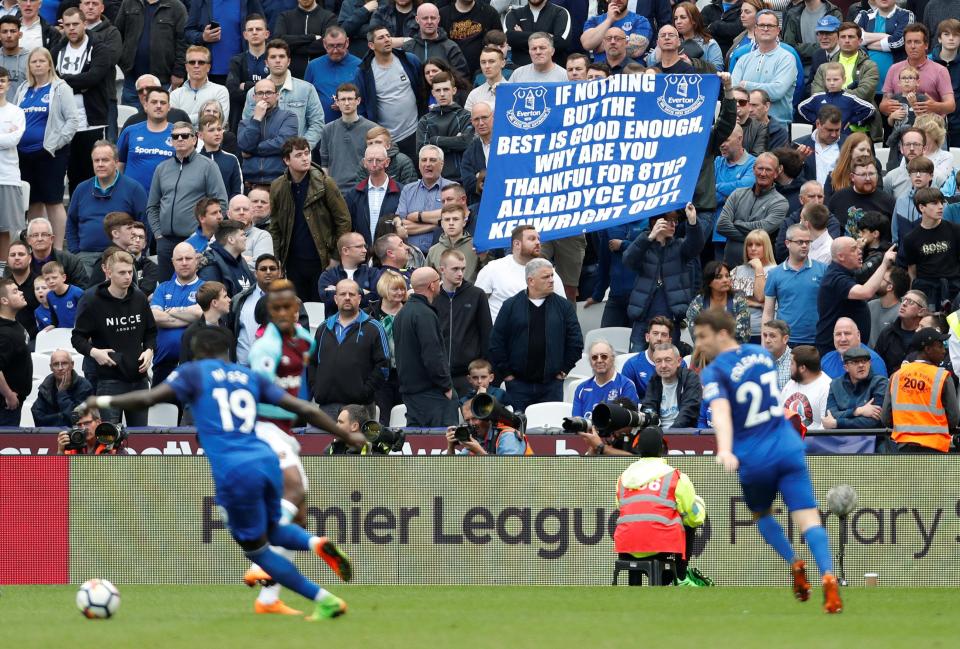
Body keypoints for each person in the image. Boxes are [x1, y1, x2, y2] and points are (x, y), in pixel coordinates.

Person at [84, 327, 363, 620]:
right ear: (227, 351)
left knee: (257, 551)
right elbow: (303, 407)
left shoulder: (193, 372)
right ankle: (315, 543)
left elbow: (147, 399)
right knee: (273, 529)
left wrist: (102, 402)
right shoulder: (248, 376)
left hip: (234, 470)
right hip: (266, 459)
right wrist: (347, 435)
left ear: (195, 350)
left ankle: (325, 599)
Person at [695, 309, 842, 613]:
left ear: (722, 334)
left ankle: (795, 564)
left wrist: (724, 448)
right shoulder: (761, 356)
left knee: (762, 514)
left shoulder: (715, 371)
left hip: (754, 455)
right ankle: (828, 575)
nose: (698, 343)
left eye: (702, 336)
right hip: (788, 446)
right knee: (808, 518)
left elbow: (721, 413)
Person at [242, 277, 325, 615]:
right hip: (263, 425)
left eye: (292, 306)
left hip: (286, 428)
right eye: (278, 308)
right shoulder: (264, 347)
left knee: (301, 516)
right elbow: (259, 390)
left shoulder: (304, 341)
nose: (288, 313)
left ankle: (268, 599)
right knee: (295, 487)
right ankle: (263, 561)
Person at [613, 425, 709, 586]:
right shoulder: (675, 476)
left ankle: (639, 582)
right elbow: (694, 518)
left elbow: (621, 508)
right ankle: (681, 575)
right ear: (663, 449)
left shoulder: (623, 478)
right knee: (689, 523)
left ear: (637, 448)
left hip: (626, 546)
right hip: (661, 545)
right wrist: (699, 505)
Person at [71, 250, 156, 426]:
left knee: (141, 435)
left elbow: (151, 331)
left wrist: (149, 350)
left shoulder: (139, 297)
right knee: (108, 438)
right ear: (108, 272)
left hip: (138, 378)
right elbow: (77, 338)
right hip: (110, 380)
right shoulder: (92, 300)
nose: (127, 277)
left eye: (130, 272)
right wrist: (94, 352)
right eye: (122, 272)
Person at [488, 258, 583, 411]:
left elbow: (576, 342)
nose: (552, 280)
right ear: (531, 281)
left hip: (552, 385)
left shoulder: (564, 306)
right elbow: (496, 342)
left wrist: (564, 369)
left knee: (550, 431)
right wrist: (507, 374)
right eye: (546, 277)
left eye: (552, 275)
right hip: (518, 385)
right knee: (519, 430)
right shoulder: (510, 306)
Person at [268, 136, 352, 303]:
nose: (305, 158)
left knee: (320, 308)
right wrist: (277, 260)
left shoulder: (324, 182)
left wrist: (336, 257)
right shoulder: (278, 186)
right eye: (298, 155)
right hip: (292, 261)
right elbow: (275, 227)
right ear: (287, 160)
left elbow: (344, 220)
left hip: (321, 259)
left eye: (307, 153)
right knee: (298, 310)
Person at [146, 121, 228, 280]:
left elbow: (221, 204)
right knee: (166, 289)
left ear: (195, 139)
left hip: (195, 242)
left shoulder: (208, 166)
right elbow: (152, 206)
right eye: (175, 136)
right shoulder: (162, 168)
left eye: (185, 135)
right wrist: (158, 235)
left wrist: (204, 235)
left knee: (195, 291)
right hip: (165, 243)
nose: (180, 139)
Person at [16, 46, 79, 250]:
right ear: (29, 66)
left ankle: (59, 248)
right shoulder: (23, 89)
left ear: (49, 64)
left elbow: (72, 121)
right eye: (34, 62)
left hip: (51, 154)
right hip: (24, 154)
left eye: (42, 61)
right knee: (33, 202)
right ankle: (36, 246)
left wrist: (53, 145)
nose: (38, 65)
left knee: (53, 201)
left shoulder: (61, 88)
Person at [52, 7, 113, 196]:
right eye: (67, 25)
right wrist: (80, 82)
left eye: (75, 24)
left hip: (92, 122)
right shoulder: (57, 50)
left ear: (84, 24)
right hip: (64, 123)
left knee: (92, 173)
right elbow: (52, 80)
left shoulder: (99, 48)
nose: (71, 29)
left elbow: (93, 78)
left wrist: (64, 81)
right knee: (72, 174)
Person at [66, 140, 148, 278]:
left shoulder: (134, 189)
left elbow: (144, 224)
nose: (100, 164)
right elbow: (71, 223)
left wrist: (136, 252)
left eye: (105, 160)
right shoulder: (81, 189)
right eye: (96, 160)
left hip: (121, 255)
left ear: (116, 162)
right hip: (86, 256)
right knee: (85, 296)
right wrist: (75, 252)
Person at [311, 279, 389, 419]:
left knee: (359, 442)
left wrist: (365, 393)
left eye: (352, 294)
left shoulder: (374, 327)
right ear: (335, 299)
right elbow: (312, 363)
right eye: (342, 294)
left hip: (360, 407)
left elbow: (384, 366)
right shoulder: (323, 328)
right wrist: (317, 390)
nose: (347, 297)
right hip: (327, 407)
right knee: (326, 442)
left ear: (359, 299)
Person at [392, 266, 459, 425]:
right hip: (432, 395)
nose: (440, 286)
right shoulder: (424, 314)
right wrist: (446, 387)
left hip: (411, 393)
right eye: (438, 282)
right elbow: (433, 355)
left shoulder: (402, 314)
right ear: (432, 285)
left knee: (418, 445)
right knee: (443, 444)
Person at [881, 327, 959, 452]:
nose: (944, 351)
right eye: (939, 346)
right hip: (935, 446)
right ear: (927, 349)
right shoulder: (942, 376)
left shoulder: (896, 376)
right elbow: (954, 418)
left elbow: (885, 418)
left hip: (904, 446)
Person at [816, 236, 898, 355]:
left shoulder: (846, 273)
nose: (860, 251)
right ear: (841, 256)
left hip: (849, 349)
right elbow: (866, 292)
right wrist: (884, 264)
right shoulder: (834, 277)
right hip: (834, 351)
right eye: (854, 249)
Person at [241, 39, 324, 152]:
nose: (278, 61)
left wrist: (301, 149)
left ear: (289, 61)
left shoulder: (306, 89)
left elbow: (317, 123)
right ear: (266, 62)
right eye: (273, 57)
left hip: (297, 158)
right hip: (262, 159)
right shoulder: (253, 92)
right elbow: (247, 124)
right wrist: (257, 150)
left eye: (281, 56)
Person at [354, 26, 423, 161]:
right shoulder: (364, 71)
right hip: (386, 139)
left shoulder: (409, 60)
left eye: (388, 36)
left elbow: (422, 91)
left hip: (414, 132)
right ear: (371, 45)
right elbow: (361, 107)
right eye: (381, 37)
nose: (387, 40)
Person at [474, 224, 563, 322]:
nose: (538, 242)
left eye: (538, 239)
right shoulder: (493, 269)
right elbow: (476, 304)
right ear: (516, 244)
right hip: (500, 334)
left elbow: (562, 307)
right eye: (532, 239)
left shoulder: (549, 272)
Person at [432, 248, 491, 395]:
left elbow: (487, 334)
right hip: (439, 375)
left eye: (462, 269)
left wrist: (482, 369)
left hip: (469, 376)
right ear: (442, 270)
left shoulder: (477, 295)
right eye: (455, 269)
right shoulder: (433, 297)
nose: (460, 273)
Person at [717, 153, 789, 267]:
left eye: (768, 170)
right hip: (730, 267)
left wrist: (736, 223)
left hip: (760, 271)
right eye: (760, 168)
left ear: (776, 173)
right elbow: (721, 225)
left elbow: (764, 228)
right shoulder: (737, 194)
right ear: (753, 169)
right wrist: (757, 239)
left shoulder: (780, 202)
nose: (763, 173)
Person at [731, 10, 799, 127]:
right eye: (762, 25)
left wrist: (746, 85)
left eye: (770, 26)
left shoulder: (787, 58)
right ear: (755, 29)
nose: (766, 29)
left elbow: (777, 91)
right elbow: (734, 92)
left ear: (778, 30)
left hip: (776, 128)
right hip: (745, 126)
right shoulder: (743, 59)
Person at [150, 242, 203, 385]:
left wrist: (170, 311)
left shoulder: (206, 287)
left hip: (195, 366)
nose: (184, 263)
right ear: (173, 262)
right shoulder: (162, 288)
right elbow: (154, 316)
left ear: (196, 260)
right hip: (163, 365)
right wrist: (189, 316)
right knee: (161, 406)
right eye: (179, 259)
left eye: (188, 258)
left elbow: (200, 313)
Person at [820, 345, 888, 453]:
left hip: (873, 440)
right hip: (841, 440)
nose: (861, 365)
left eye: (864, 361)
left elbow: (874, 422)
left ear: (869, 363)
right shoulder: (835, 384)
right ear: (846, 367)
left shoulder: (880, 383)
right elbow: (830, 415)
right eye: (855, 362)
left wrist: (837, 423)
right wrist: (857, 411)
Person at [903, 187, 960, 309]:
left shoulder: (955, 230)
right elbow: (912, 272)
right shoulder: (911, 238)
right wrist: (912, 296)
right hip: (927, 292)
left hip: (954, 288)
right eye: (934, 203)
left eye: (941, 202)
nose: (940, 206)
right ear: (921, 207)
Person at [237, 78, 298, 190]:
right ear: (254, 97)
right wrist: (256, 119)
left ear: (277, 95)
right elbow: (244, 145)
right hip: (251, 184)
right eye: (260, 93)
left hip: (280, 182)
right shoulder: (245, 123)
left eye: (269, 92)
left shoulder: (289, 117)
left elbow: (283, 144)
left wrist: (252, 150)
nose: (264, 96)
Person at [116, 86, 175, 195]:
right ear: (145, 106)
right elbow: (119, 163)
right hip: (131, 197)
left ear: (169, 107)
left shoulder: (178, 134)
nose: (158, 106)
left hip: (166, 198)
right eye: (154, 102)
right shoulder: (130, 131)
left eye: (163, 103)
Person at [320, 82, 377, 195]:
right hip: (335, 192)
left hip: (363, 191)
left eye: (350, 99)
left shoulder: (372, 129)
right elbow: (324, 166)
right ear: (337, 101)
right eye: (343, 99)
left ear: (358, 101)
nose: (346, 103)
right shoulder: (327, 130)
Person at [395, 144, 452, 253]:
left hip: (443, 254)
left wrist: (417, 217)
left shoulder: (452, 188)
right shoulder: (408, 190)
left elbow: (452, 217)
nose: (427, 164)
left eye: (433, 160)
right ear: (419, 164)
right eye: (424, 160)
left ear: (442, 164)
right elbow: (401, 227)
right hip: (412, 255)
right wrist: (437, 225)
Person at [347, 143, 402, 246]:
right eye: (370, 160)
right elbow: (349, 227)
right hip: (363, 254)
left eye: (379, 160)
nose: (374, 164)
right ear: (364, 163)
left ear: (387, 162)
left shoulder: (402, 191)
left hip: (391, 252)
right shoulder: (354, 193)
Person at [304, 26, 362, 125]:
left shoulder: (359, 66)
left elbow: (366, 100)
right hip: (320, 128)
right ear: (324, 44)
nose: (335, 51)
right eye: (331, 46)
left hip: (352, 126)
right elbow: (306, 98)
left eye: (339, 45)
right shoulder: (313, 66)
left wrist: (345, 103)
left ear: (347, 43)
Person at [686, 261, 751, 344]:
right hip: (706, 352)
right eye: (719, 277)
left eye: (727, 276)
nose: (725, 280)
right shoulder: (698, 303)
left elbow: (743, 335)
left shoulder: (739, 301)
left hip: (734, 352)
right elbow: (696, 334)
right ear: (709, 281)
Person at [225, 13, 270, 133]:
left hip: (271, 120)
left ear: (266, 34)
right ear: (245, 35)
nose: (254, 32)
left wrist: (246, 85)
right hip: (242, 121)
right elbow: (232, 91)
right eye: (250, 30)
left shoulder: (274, 59)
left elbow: (278, 90)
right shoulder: (237, 61)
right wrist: (264, 93)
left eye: (258, 29)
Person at [571, 340, 638, 419]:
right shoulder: (581, 389)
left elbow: (630, 422)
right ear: (590, 362)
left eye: (604, 356)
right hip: (586, 431)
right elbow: (577, 422)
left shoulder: (626, 385)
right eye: (594, 357)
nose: (599, 360)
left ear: (612, 358)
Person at [641, 343, 701, 429]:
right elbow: (648, 407)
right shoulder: (654, 380)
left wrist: (670, 433)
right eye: (658, 361)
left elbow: (689, 411)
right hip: (658, 434)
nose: (663, 365)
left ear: (679, 362)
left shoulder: (690, 378)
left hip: (684, 433)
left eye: (668, 360)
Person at [444, 396, 530, 455]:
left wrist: (479, 452)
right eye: (467, 420)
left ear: (485, 416)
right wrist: (451, 447)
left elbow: (509, 475)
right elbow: (453, 472)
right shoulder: (475, 438)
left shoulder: (507, 436)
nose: (471, 423)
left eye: (474, 418)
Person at [731, 229, 776, 343]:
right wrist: (755, 303)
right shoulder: (737, 270)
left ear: (766, 247)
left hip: (762, 331)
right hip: (736, 330)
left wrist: (759, 268)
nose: (753, 248)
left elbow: (761, 296)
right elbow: (728, 299)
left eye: (758, 245)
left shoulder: (775, 271)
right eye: (749, 245)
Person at [273, 0, 336, 79]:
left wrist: (292, 47)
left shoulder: (329, 17)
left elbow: (326, 44)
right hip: (291, 77)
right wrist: (311, 37)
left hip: (321, 75)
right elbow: (278, 41)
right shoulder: (285, 17)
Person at [169, 45, 230, 127]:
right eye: (192, 62)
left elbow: (219, 123)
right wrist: (204, 115)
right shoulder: (175, 94)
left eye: (201, 62)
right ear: (186, 67)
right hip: (183, 138)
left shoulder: (220, 91)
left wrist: (184, 119)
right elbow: (173, 125)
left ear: (208, 67)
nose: (196, 66)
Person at [31, 348, 93, 426]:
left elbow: (78, 418)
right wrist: (62, 418)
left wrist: (62, 394)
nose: (60, 368)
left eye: (64, 363)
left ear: (72, 365)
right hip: (50, 433)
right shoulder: (46, 385)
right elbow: (38, 417)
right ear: (51, 367)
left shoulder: (84, 386)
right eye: (56, 364)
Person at [874, 288, 927, 374]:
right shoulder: (888, 332)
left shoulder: (925, 336)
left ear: (921, 311)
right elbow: (877, 362)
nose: (904, 304)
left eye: (910, 302)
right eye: (904, 300)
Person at [0, 64, 23, 265]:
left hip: (7, 175)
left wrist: (8, 137)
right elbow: (6, 139)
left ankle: (2, 272)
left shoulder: (16, 111)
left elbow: (13, 140)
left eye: (2, 80)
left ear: (8, 84)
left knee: (5, 229)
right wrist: (4, 136)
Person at [24, 216, 88, 286]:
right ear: (28, 240)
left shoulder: (70, 261)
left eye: (44, 235)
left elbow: (82, 288)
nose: (40, 239)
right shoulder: (23, 263)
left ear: (52, 239)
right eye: (35, 235)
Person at [0, 278, 30, 425]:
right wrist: (8, 394)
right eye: (15, 291)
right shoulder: (4, 334)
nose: (21, 292)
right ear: (4, 300)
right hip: (5, 405)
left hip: (14, 402)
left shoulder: (13, 323)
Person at [180, 280, 232, 364]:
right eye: (225, 296)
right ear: (214, 302)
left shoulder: (227, 332)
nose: (229, 300)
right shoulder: (191, 333)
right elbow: (185, 366)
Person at [820, 316, 888, 379]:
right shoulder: (826, 360)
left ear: (858, 335)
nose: (843, 339)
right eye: (838, 334)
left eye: (847, 333)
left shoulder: (873, 362)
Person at [198, 114, 243, 199]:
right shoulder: (194, 160)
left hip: (226, 210)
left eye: (219, 129)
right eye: (211, 130)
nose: (217, 133)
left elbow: (237, 191)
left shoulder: (232, 159)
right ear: (200, 135)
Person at [41, 260, 82, 327]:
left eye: (54, 277)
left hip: (79, 331)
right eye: (47, 279)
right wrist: (53, 324)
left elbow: (86, 313)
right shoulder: (49, 296)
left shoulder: (77, 292)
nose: (51, 281)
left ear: (63, 278)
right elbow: (53, 314)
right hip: (62, 331)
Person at [0, 16, 29, 103]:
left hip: (23, 112)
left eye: (13, 31)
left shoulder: (30, 59)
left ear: (20, 35)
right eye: (4, 32)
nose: (9, 35)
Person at [762, 319, 793, 390]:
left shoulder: (795, 361)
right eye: (765, 335)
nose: (767, 340)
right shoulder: (759, 360)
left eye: (772, 336)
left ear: (785, 339)